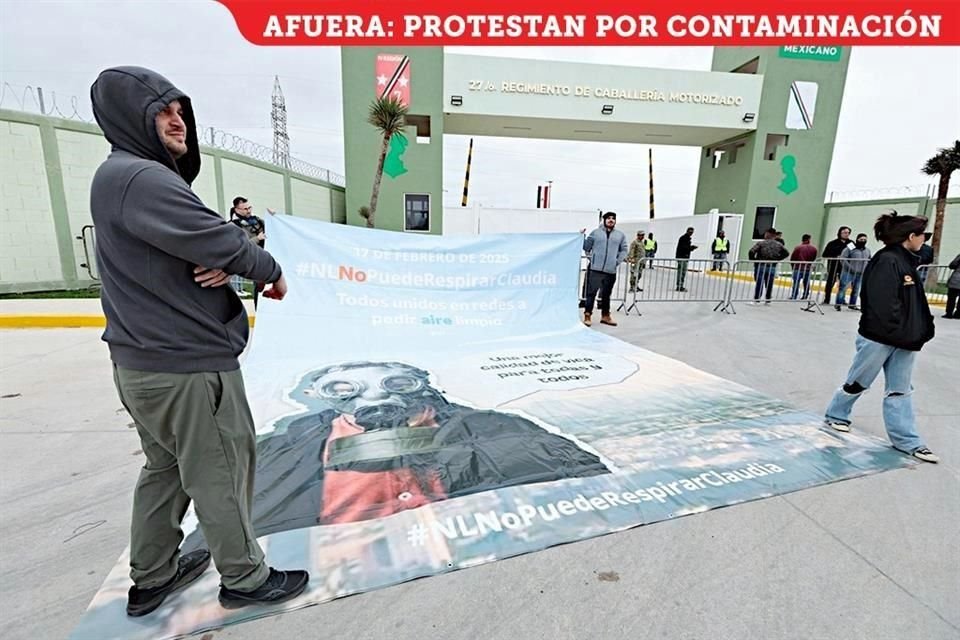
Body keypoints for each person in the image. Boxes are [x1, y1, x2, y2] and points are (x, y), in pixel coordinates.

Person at [89, 66, 308, 616]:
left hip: (145, 365)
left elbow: (201, 241)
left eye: (179, 109)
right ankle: (245, 577)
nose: (176, 118)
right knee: (220, 470)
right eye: (161, 110)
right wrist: (266, 266)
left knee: (165, 470)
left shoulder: (120, 177)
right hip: (185, 365)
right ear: (128, 119)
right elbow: (219, 237)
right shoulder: (141, 177)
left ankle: (153, 575)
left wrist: (218, 252)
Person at [182, 362, 610, 540]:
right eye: (345, 389)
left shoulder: (493, 427)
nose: (373, 397)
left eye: (396, 383)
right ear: (317, 394)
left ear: (422, 384)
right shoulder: (282, 449)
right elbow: (227, 517)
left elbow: (583, 472)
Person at [824, 213, 938, 463]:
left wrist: (922, 329)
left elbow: (915, 303)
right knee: (858, 381)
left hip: (906, 340)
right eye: (923, 235)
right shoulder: (887, 261)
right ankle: (837, 414)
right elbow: (881, 305)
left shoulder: (907, 261)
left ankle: (907, 441)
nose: (925, 240)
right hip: (880, 338)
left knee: (900, 390)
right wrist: (902, 332)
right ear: (911, 237)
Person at [581, 212, 628, 326]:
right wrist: (582, 236)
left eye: (613, 219)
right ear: (604, 220)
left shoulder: (620, 235)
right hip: (595, 269)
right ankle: (588, 314)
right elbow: (586, 247)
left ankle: (605, 316)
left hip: (610, 270)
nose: (611, 220)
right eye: (608, 218)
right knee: (591, 293)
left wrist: (616, 262)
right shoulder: (595, 233)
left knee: (606, 294)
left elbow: (624, 249)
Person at [748, 228, 789, 304]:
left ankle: (757, 299)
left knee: (759, 283)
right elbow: (786, 253)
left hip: (761, 265)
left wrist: (754, 260)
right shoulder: (778, 244)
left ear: (768, 234)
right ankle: (768, 299)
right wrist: (777, 259)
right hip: (772, 266)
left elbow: (751, 251)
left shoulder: (761, 243)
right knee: (769, 283)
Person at [836, 233, 872, 311]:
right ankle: (838, 304)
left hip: (860, 273)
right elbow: (843, 258)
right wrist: (850, 268)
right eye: (861, 239)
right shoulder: (850, 248)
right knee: (843, 288)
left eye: (864, 240)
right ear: (857, 239)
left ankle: (852, 304)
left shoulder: (867, 250)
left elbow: (869, 260)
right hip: (848, 272)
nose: (863, 241)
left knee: (856, 289)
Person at [822, 226, 854, 305]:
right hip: (833, 266)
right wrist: (836, 256)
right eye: (844, 233)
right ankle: (827, 299)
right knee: (830, 283)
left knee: (844, 284)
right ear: (840, 233)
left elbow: (854, 253)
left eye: (848, 233)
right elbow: (825, 254)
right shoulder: (832, 243)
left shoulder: (851, 243)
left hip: (845, 267)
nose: (846, 234)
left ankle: (841, 300)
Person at [675, 227, 697, 291]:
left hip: (685, 257)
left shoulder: (687, 238)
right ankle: (679, 286)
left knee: (683, 272)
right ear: (687, 231)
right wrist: (691, 248)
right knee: (681, 272)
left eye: (692, 232)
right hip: (682, 257)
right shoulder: (684, 238)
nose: (691, 233)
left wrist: (691, 248)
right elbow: (684, 248)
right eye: (690, 232)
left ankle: (680, 285)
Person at [944, 254, 960, 319]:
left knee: (951, 297)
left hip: (956, 280)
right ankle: (958, 314)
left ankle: (949, 313)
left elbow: (952, 265)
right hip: (956, 280)